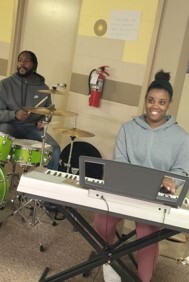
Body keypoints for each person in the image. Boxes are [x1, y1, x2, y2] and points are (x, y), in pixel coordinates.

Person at [94, 70, 189, 282]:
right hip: (125, 189)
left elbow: (181, 170)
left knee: (147, 237)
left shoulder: (181, 137)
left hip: (154, 196)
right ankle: (107, 262)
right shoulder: (128, 129)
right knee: (103, 221)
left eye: (162, 102)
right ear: (145, 100)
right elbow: (119, 161)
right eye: (151, 100)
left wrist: (170, 180)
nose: (155, 107)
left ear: (169, 104)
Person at [0, 50, 60, 170]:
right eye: (20, 60)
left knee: (54, 149)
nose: (22, 64)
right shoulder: (5, 85)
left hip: (31, 128)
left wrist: (43, 122)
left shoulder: (43, 88)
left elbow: (48, 112)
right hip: (10, 124)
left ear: (34, 65)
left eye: (27, 61)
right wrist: (14, 114)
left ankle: (48, 184)